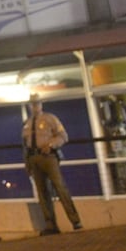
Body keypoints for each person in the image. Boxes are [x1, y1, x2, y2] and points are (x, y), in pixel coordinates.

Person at [22, 95, 83, 235]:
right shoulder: (27, 123)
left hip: (48, 157)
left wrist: (51, 145)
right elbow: (25, 146)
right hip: (34, 158)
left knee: (60, 187)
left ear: (41, 105)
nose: (34, 107)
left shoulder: (50, 119)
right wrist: (27, 164)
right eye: (32, 104)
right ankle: (50, 225)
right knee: (42, 193)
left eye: (36, 104)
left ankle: (75, 221)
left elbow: (63, 136)